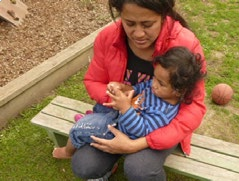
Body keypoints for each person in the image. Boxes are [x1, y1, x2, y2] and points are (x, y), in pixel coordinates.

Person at [71, 1, 207, 181]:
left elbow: (194, 107)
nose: (138, 33)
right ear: (119, 15)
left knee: (139, 169)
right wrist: (113, 92)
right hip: (117, 118)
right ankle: (107, 167)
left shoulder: (185, 43)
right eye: (129, 23)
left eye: (147, 24)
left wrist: (137, 144)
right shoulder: (108, 38)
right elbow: (93, 81)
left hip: (158, 127)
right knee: (83, 166)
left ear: (164, 16)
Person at [53, 47, 204, 160]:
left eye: (161, 83)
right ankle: (93, 119)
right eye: (154, 78)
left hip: (120, 131)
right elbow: (142, 87)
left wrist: (125, 107)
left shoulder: (163, 113)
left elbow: (141, 130)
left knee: (79, 129)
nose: (153, 84)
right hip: (120, 115)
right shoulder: (158, 90)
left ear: (179, 91)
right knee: (102, 105)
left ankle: (67, 152)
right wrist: (125, 89)